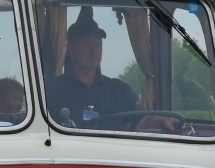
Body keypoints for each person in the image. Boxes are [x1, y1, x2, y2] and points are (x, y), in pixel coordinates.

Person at [46, 7, 179, 131]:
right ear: (70, 49)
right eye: (86, 45)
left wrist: (163, 121)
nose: (94, 52)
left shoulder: (119, 90)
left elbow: (143, 119)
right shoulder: (51, 91)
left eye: (98, 45)